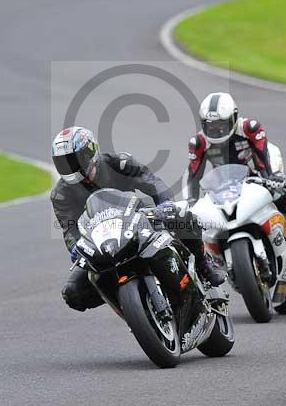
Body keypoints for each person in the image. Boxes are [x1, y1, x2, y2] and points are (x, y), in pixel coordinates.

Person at [50, 126, 225, 312]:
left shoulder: (118, 163)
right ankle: (130, 304)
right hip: (102, 241)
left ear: (89, 152)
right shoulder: (60, 194)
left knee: (182, 216)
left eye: (73, 160)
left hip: (138, 220)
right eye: (64, 162)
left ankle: (203, 265)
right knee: (72, 293)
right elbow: (69, 229)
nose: (70, 167)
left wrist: (165, 204)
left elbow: (151, 181)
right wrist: (77, 248)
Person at [183, 92, 286, 257]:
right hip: (226, 178)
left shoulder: (250, 128)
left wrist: (271, 178)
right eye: (210, 126)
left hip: (258, 167)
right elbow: (193, 174)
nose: (216, 130)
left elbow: (263, 156)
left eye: (221, 125)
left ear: (234, 118)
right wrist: (189, 203)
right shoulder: (198, 142)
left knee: (280, 192)